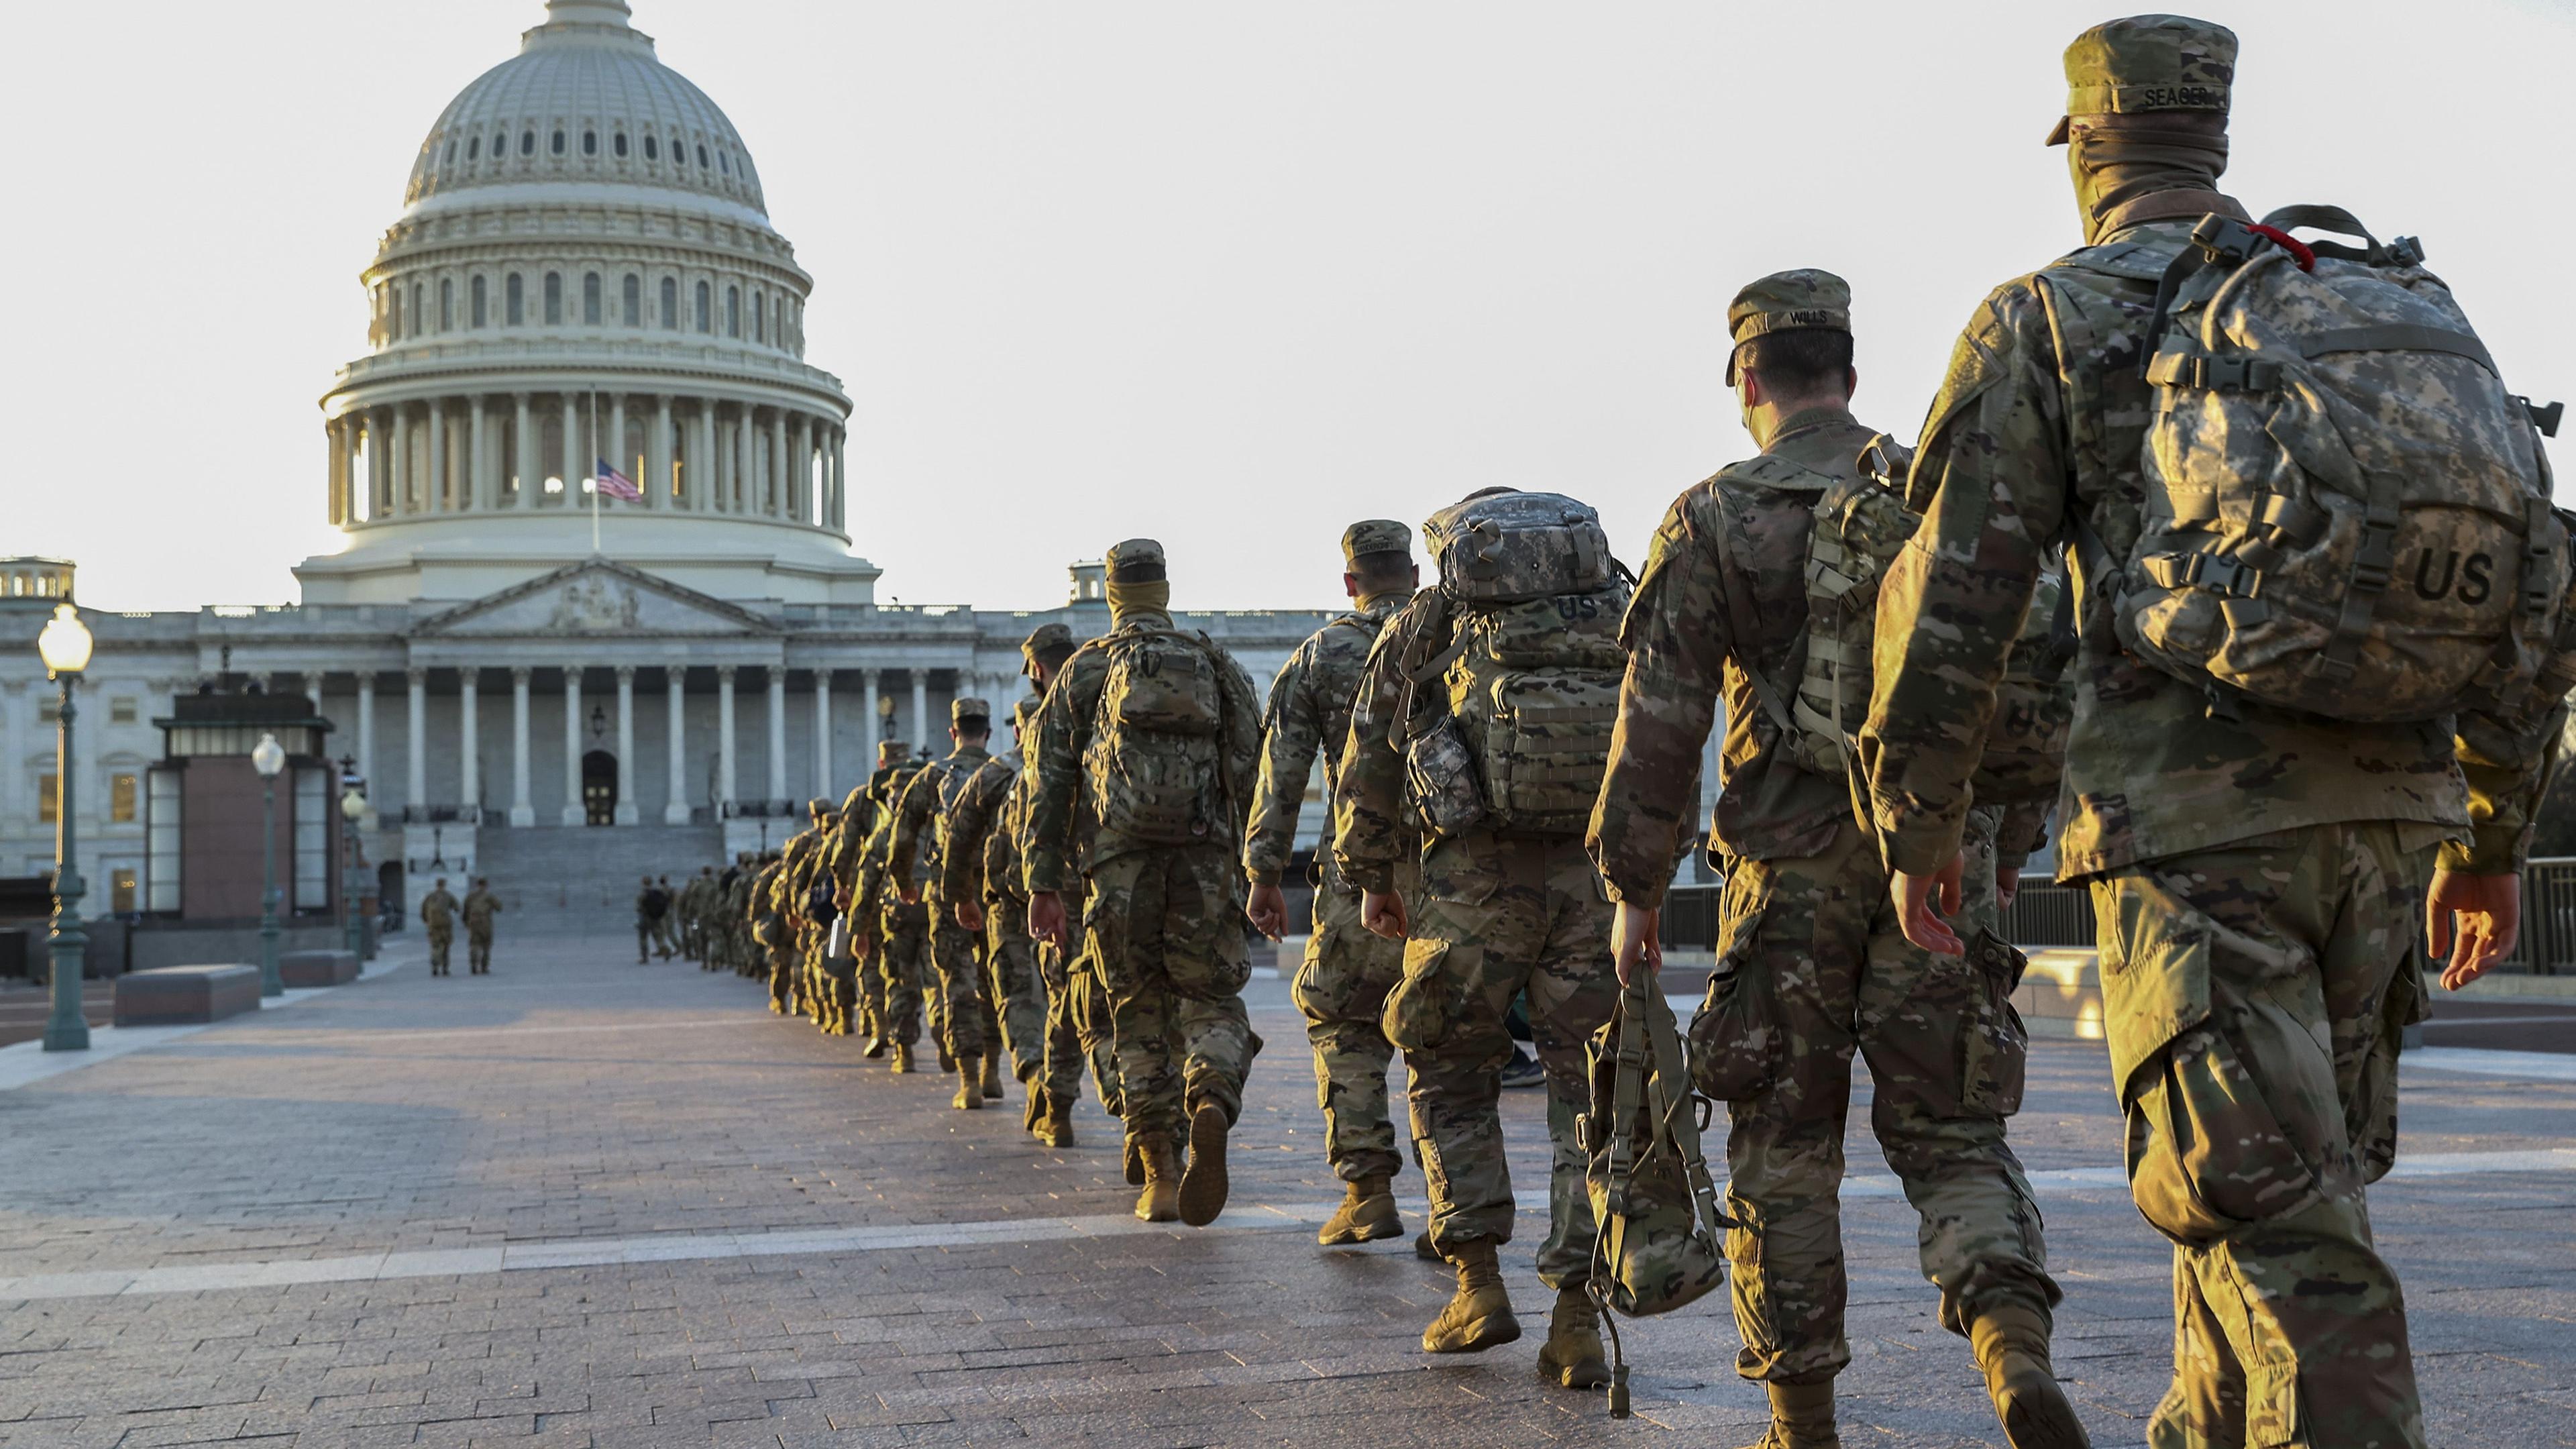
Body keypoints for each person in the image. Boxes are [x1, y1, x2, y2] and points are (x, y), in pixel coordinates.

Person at [1856, 19, 2567, 1449]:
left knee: (2283, 1234)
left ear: (2088, 149)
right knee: (2266, 1196)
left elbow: (1952, 604)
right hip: (2386, 830)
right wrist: (2490, 839)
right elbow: (2530, 577)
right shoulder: (2353, 302)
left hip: (2193, 842)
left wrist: (1919, 823)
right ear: (2216, 140)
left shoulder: (2048, 318)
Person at [1589, 269, 2076, 1449]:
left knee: (1782, 1148)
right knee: (1956, 1134)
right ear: (1848, 372)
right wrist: (2002, 841)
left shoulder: (1715, 515)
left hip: (1786, 877)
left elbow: (1661, 719)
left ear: (1747, 377)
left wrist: (1634, 889)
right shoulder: (1930, 495)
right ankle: (2010, 1344)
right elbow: (2023, 673)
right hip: (1939, 866)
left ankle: (1802, 1419)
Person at [1335, 489, 1625, 1389]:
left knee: (1447, 1072)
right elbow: (1663, 738)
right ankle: (1577, 1315)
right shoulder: (1615, 607)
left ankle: (1478, 1284)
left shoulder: (1435, 618)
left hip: (1470, 888)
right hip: (1591, 887)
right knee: (1593, 1100)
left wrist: (1373, 877)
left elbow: (1372, 753)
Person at [1027, 539, 1264, 1226]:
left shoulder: (1083, 672)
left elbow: (1049, 786)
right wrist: (1247, 858)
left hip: (1116, 866)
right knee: (1211, 998)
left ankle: (1159, 1169)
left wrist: (1044, 881)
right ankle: (1212, 1099)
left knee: (1134, 1010)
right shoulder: (1214, 664)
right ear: (1163, 587)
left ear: (1110, 592)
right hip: (1203, 861)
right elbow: (1253, 762)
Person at [1243, 519, 1422, 1248]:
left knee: (1342, 1018)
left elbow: (1281, 774)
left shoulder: (1322, 654)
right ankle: (1461, 1213)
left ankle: (1368, 1188)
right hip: (1461, 868)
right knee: (1449, 1039)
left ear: (1350, 582)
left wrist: (1262, 872)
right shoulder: (1459, 638)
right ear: (1412, 573)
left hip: (1359, 869)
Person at [941, 695, 1057, 1134]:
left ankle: (1009, 1075)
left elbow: (957, 836)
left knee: (999, 988)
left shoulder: (993, 772)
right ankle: (1059, 1089)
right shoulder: (1081, 763)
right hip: (1067, 899)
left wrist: (959, 895)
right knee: (1061, 996)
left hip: (1003, 899)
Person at [884, 699, 1008, 1108]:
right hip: (998, 892)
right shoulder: (1005, 772)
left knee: (957, 982)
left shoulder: (932, 776)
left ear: (952, 733)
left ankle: (969, 1080)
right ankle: (993, 1068)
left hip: (947, 895)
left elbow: (902, 837)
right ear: (987, 733)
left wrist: (904, 882)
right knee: (996, 981)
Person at [849, 741, 932, 1073]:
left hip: (892, 910)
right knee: (942, 980)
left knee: (896, 978)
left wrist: (857, 927)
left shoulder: (880, 831)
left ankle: (899, 1044)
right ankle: (950, 1040)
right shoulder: (937, 828)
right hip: (934, 909)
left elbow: (863, 879)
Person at [419, 877, 460, 977]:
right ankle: (445, 968)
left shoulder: (430, 896)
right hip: (446, 924)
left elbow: (423, 910)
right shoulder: (448, 895)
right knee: (446, 945)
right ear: (444, 885)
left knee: (435, 945)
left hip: (433, 925)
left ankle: (435, 965)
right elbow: (457, 908)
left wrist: (427, 921)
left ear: (436, 885)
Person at [462, 877, 501, 976]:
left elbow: (465, 910)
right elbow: (499, 908)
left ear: (477, 885)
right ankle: (484, 967)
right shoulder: (489, 896)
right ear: (486, 885)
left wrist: (466, 922)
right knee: (486, 946)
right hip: (485, 923)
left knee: (474, 944)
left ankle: (473, 965)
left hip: (473, 922)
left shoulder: (471, 896)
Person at [635, 875, 670, 964]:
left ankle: (644, 958)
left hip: (645, 919)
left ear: (643, 883)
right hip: (655, 918)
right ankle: (665, 949)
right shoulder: (656, 893)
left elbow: (639, 908)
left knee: (643, 939)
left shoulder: (642, 894)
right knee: (658, 937)